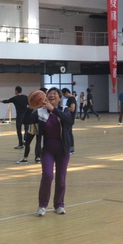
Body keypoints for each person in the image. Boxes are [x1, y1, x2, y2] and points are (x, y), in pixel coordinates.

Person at [26, 88, 74, 216]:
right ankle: (42, 205)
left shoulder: (64, 110)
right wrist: (30, 108)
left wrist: (53, 109)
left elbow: (69, 120)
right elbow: (26, 121)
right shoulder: (40, 112)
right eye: (50, 93)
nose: (52, 95)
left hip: (63, 149)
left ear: (59, 98)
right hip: (47, 149)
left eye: (55, 93)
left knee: (61, 179)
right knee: (47, 176)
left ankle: (59, 205)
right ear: (45, 97)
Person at [61, 88, 77, 153]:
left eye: (64, 94)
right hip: (68, 118)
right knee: (68, 133)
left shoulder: (72, 98)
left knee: (68, 133)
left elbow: (72, 109)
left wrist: (64, 109)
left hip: (70, 118)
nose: (64, 96)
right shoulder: (70, 99)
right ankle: (69, 147)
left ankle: (71, 148)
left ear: (67, 92)